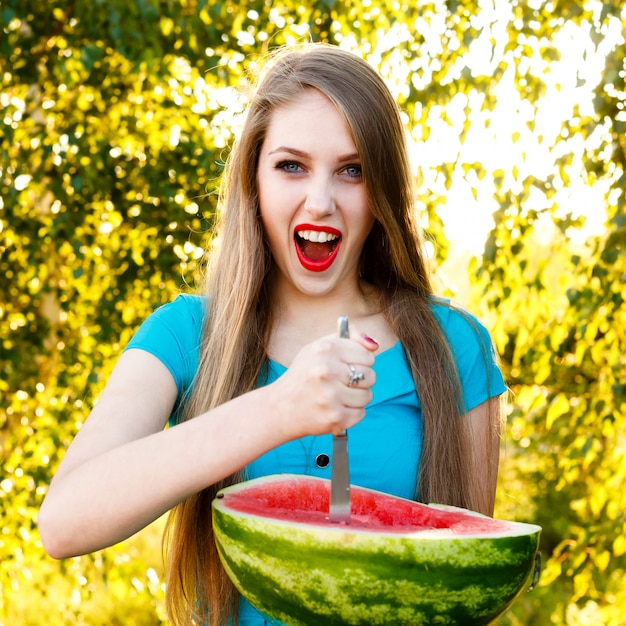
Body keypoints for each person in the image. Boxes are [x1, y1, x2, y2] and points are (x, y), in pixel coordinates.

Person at [39, 42, 507, 626]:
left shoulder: (455, 348)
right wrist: (279, 409)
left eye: (352, 170)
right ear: (253, 180)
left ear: (382, 188)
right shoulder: (185, 336)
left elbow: (470, 584)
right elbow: (63, 523)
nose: (321, 200)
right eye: (291, 166)